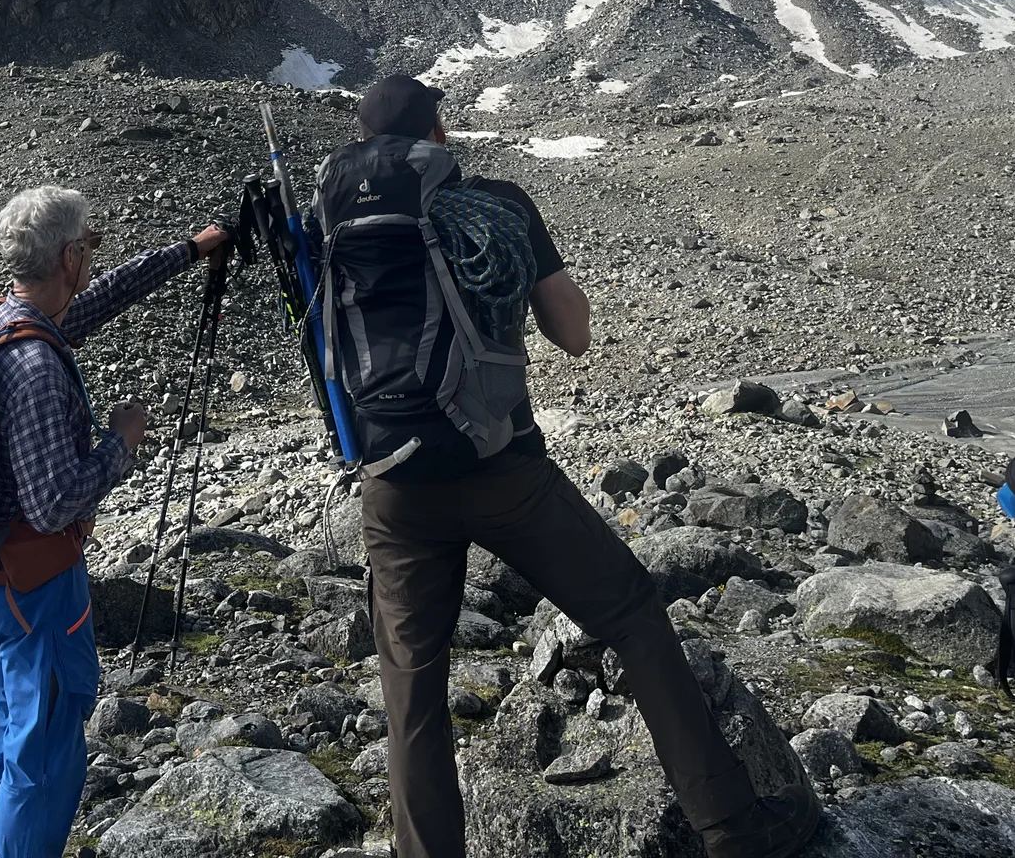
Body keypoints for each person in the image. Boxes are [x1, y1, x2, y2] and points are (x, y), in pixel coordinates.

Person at [347, 74, 821, 858]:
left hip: (392, 483)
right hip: (507, 472)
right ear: (439, 131)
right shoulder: (495, 200)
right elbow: (572, 333)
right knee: (632, 613)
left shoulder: (335, 219)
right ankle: (733, 827)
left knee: (412, 685)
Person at [0, 184, 230, 858]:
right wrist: (122, 441)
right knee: (45, 755)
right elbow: (55, 503)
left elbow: (102, 297)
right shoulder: (35, 365)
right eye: (92, 245)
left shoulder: (10, 319)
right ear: (70, 255)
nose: (93, 261)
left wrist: (190, 251)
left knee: (7, 736)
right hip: (37, 585)